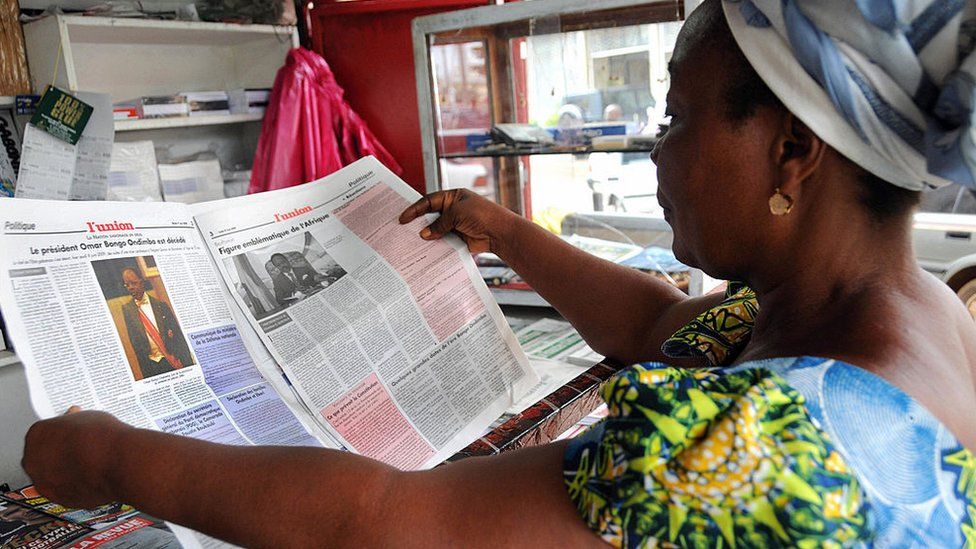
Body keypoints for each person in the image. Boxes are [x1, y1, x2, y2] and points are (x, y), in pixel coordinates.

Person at [21, 0, 976, 546]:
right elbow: (660, 331)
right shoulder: (904, 313)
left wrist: (114, 458)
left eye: (677, 119)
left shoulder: (769, 439)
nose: (657, 149)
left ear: (793, 153)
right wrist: (502, 230)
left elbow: (390, 525)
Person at [119, 268, 193, 379]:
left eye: (133, 283)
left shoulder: (161, 306)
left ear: (141, 281)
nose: (130, 287)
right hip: (151, 367)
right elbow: (136, 347)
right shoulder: (127, 310)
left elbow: (179, 339)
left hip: (170, 361)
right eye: (127, 285)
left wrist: (189, 367)